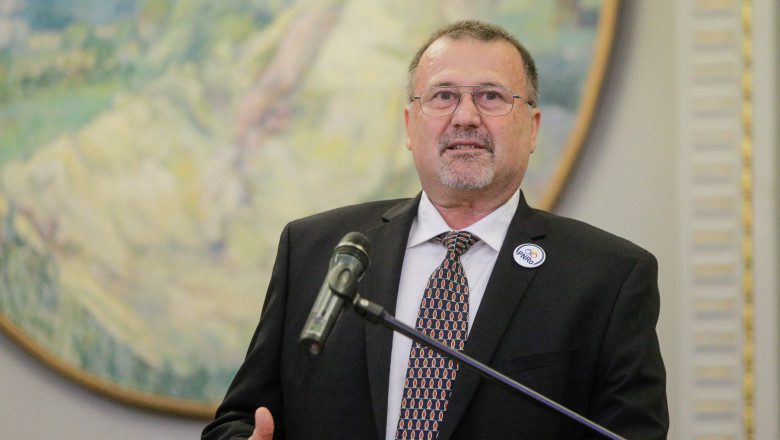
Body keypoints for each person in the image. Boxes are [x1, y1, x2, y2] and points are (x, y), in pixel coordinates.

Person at [202, 20, 668, 440]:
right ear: (410, 125)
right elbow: (238, 419)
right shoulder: (314, 251)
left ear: (532, 128)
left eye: (491, 96)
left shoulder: (610, 278)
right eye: (443, 96)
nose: (465, 117)